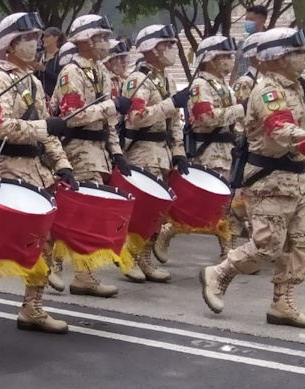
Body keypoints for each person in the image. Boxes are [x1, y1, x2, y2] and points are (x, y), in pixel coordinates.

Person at [201, 27, 305, 328]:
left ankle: (282, 303)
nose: (302, 57)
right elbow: (281, 129)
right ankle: (219, 273)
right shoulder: (267, 91)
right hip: (270, 181)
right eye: (297, 52)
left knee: (297, 245)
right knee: (267, 246)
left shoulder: (298, 87)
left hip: (297, 180)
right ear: (277, 57)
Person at [0, 12, 72, 333]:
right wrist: (43, 127)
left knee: (43, 243)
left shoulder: (33, 80)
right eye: (26, 38)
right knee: (0, 247)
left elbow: (48, 134)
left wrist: (62, 165)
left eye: (35, 37)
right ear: (10, 44)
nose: (34, 43)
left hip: (38, 172)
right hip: (9, 170)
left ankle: (32, 307)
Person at [49, 14, 127, 298]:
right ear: (85, 41)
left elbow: (109, 122)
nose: (106, 43)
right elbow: (73, 116)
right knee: (81, 215)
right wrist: (112, 106)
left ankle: (70, 268)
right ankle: (75, 271)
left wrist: (116, 152)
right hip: (78, 151)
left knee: (86, 215)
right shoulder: (72, 73)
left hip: (99, 152)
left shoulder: (101, 72)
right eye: (100, 37)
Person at [153, 36, 244, 263]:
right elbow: (206, 117)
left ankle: (228, 250)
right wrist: (239, 109)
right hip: (209, 152)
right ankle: (169, 231)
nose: (229, 60)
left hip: (227, 151)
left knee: (225, 206)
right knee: (203, 207)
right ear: (210, 59)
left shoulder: (223, 86)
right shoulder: (200, 86)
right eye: (224, 56)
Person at [122, 24, 188, 283]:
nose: (171, 49)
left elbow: (175, 122)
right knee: (142, 211)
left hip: (163, 152)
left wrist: (179, 150)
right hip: (142, 151)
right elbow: (135, 118)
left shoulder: (167, 79)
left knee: (157, 213)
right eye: (166, 44)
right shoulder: (138, 79)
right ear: (151, 48)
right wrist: (170, 104)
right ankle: (129, 257)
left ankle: (145, 258)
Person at [38, 26, 65, 97]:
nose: (43, 39)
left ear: (56, 38)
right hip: (40, 96)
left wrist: (45, 70)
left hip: (54, 97)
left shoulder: (60, 56)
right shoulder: (40, 55)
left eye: (47, 36)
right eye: (43, 37)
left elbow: (61, 79)